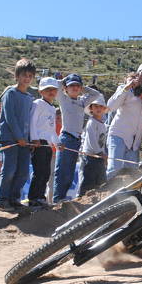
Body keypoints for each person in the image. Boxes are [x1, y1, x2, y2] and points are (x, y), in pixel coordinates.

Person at [52, 74, 102, 202]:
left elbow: (96, 94)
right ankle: (58, 199)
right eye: (71, 85)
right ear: (66, 88)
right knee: (62, 170)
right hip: (66, 138)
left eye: (77, 85)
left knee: (69, 173)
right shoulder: (63, 99)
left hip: (76, 140)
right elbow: (56, 85)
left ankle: (62, 200)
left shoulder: (82, 101)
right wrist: (64, 82)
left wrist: (83, 88)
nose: (74, 88)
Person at [0, 58, 36, 211]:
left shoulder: (29, 98)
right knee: (9, 169)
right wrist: (19, 137)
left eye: (30, 76)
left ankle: (14, 199)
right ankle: (2, 200)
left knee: (24, 172)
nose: (27, 78)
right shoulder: (10, 93)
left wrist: (30, 140)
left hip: (25, 142)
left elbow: (30, 121)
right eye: (24, 75)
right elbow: (10, 117)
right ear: (17, 76)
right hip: (10, 139)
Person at [105, 63, 142, 179]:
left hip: (135, 142)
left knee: (131, 175)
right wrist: (126, 87)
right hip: (119, 135)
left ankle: (124, 197)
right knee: (114, 169)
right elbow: (110, 107)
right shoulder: (126, 89)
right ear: (138, 74)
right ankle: (109, 196)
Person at [28, 77, 59, 207]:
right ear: (41, 91)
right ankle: (33, 198)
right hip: (38, 142)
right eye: (47, 89)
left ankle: (41, 197)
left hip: (47, 144)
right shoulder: (37, 104)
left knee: (46, 172)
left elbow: (52, 129)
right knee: (39, 171)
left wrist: (57, 144)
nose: (51, 92)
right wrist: (34, 138)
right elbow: (32, 122)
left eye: (53, 89)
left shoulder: (52, 108)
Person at [77, 96, 109, 197]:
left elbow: (102, 142)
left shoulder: (103, 125)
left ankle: (97, 199)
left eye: (101, 106)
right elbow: (91, 141)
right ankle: (81, 197)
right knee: (88, 180)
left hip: (99, 156)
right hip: (90, 156)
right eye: (95, 106)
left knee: (100, 180)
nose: (98, 109)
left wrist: (102, 153)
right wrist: (100, 153)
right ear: (91, 108)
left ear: (104, 109)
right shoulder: (91, 122)